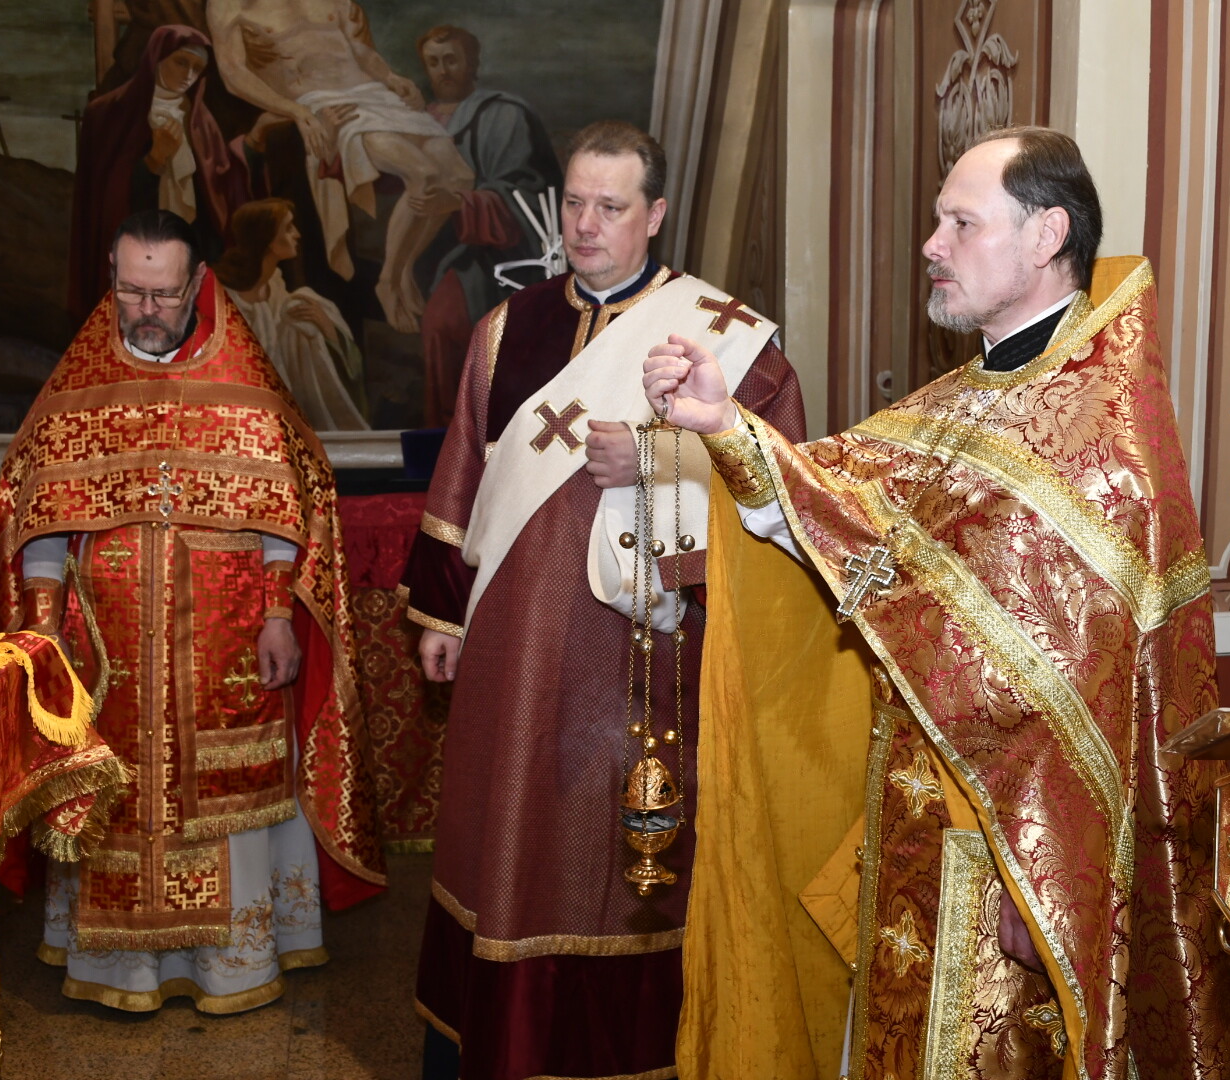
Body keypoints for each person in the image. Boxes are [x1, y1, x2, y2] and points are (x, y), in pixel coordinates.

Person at [644, 127, 1230, 1079]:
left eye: (962, 224)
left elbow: (1097, 698)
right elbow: (840, 522)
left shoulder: (1103, 445)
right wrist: (724, 424)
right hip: (912, 823)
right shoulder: (962, 401)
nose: (932, 245)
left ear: (1047, 234)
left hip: (1011, 862)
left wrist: (1044, 874)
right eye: (939, 222)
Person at [400, 120, 805, 1080]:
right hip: (508, 645)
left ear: (654, 215)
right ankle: (495, 1045)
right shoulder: (509, 328)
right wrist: (443, 614)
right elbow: (463, 470)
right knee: (502, 832)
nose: (585, 225)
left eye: (610, 207)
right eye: (574, 203)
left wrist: (660, 458)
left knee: (611, 853)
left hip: (638, 656)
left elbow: (786, 491)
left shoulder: (723, 337)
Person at [0, 209, 384, 1013]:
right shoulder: (77, 393)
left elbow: (286, 508)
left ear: (198, 283)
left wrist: (279, 615)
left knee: (232, 798)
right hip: (107, 652)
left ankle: (233, 966)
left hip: (227, 649)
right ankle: (118, 970)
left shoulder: (244, 384)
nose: (147, 310)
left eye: (163, 293)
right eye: (130, 291)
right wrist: (44, 633)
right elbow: (38, 519)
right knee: (111, 792)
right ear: (111, 280)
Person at [207, 0, 475, 333]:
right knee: (424, 173)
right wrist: (295, 111)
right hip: (326, 103)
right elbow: (233, 74)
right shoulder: (230, 4)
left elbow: (358, 50)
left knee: (459, 176)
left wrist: (390, 77)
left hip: (374, 94)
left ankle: (403, 269)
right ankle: (388, 281)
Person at [414, 24, 563, 426]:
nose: (442, 70)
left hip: (490, 258)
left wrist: (461, 204)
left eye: (451, 60)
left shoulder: (503, 115)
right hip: (431, 254)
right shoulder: (420, 120)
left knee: (444, 324)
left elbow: (524, 194)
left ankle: (468, 432)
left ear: (472, 63)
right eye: (433, 62)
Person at [68, 25, 249, 322]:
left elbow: (216, 187)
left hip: (188, 243)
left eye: (197, 68)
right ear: (156, 58)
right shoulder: (109, 112)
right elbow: (107, 194)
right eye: (181, 62)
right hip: (137, 244)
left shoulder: (201, 121)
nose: (188, 75)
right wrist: (154, 161)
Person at [216, 197, 370, 430]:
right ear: (267, 238)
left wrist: (325, 325)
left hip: (284, 398)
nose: (297, 234)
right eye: (288, 228)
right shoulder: (226, 298)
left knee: (305, 307)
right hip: (242, 410)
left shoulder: (275, 285)